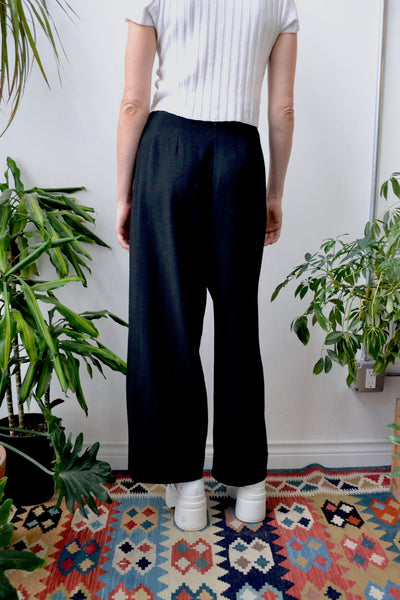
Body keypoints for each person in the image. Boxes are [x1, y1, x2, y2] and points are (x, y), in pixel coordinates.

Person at [116, 0, 298, 531]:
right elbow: (283, 110)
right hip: (240, 158)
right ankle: (250, 485)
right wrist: (274, 193)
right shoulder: (282, 2)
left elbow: (133, 101)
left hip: (167, 153)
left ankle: (188, 486)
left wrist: (124, 194)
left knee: (170, 323)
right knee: (238, 324)